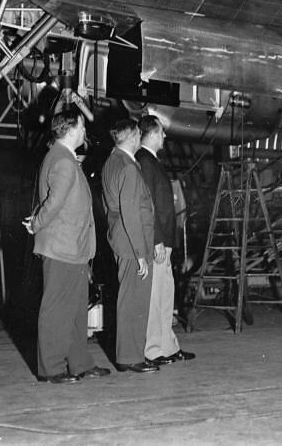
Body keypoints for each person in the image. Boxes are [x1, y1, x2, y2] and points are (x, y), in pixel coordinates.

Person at [23, 109, 109, 384]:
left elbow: (52, 198)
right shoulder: (63, 161)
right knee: (57, 308)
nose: (85, 132)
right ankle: (51, 368)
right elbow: (55, 202)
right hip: (62, 248)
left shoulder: (63, 158)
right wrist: (36, 223)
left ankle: (80, 363)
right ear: (71, 130)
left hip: (73, 248)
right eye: (82, 127)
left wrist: (38, 219)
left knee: (74, 309)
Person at [136, 115, 195, 366]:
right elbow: (146, 205)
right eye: (161, 132)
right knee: (155, 297)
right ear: (150, 134)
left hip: (166, 243)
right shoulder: (144, 161)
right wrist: (157, 239)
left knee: (165, 297)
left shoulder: (152, 161)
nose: (165, 136)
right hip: (157, 243)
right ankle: (152, 350)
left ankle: (168, 346)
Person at [101, 118, 157, 373]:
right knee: (135, 301)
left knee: (127, 299)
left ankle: (130, 353)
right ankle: (131, 357)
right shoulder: (129, 167)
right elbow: (132, 212)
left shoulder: (111, 162)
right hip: (134, 243)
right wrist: (140, 253)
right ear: (133, 137)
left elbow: (109, 208)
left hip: (121, 239)